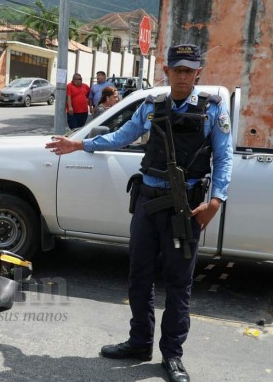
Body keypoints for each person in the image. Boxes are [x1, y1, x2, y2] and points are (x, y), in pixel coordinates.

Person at [45, 44, 233, 382]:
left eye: (188, 70)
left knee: (178, 284)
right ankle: (139, 341)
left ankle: (172, 355)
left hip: (186, 208)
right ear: (167, 69)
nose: (182, 75)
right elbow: (121, 136)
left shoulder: (211, 110)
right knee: (138, 276)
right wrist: (80, 144)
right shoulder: (151, 104)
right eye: (177, 69)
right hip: (147, 203)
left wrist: (215, 201)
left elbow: (225, 157)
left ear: (197, 72)